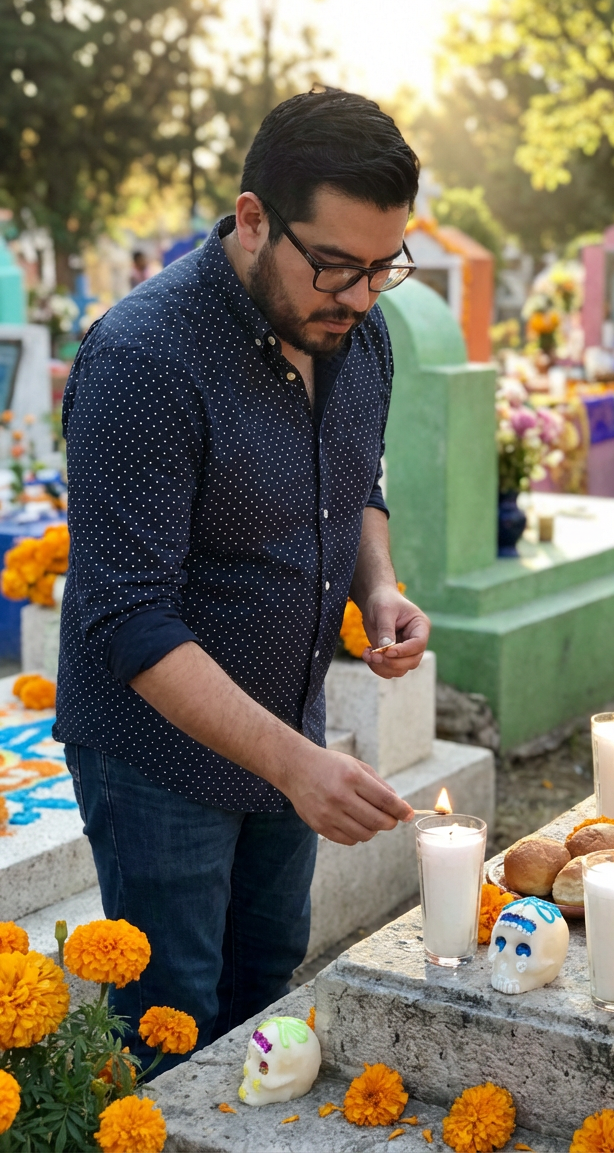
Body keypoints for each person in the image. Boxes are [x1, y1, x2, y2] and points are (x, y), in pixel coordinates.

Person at [55, 87, 430, 1070]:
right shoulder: (143, 358)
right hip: (156, 756)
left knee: (266, 986)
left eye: (383, 268)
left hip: (286, 727)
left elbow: (353, 482)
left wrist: (378, 588)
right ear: (253, 218)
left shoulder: (358, 329)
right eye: (336, 266)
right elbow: (128, 619)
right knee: (173, 1021)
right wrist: (296, 766)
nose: (360, 297)